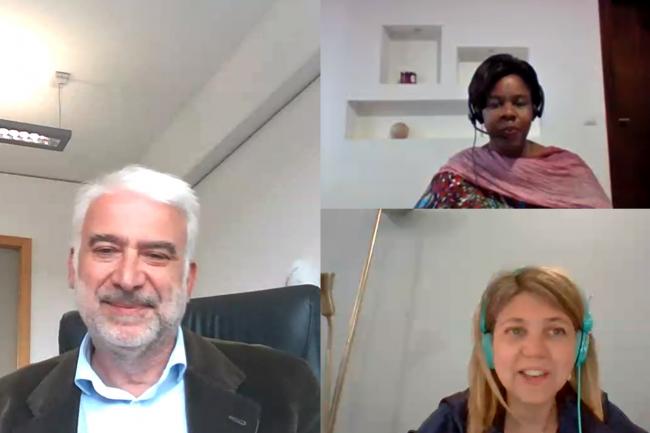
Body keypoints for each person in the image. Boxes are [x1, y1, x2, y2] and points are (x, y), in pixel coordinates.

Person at [0, 165, 319, 433]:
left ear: (188, 280)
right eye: (106, 250)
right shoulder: (7, 405)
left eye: (155, 255)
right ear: (73, 268)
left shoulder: (286, 390)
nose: (128, 278)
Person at [416, 267, 646, 433]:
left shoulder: (600, 417)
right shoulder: (452, 421)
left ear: (580, 348)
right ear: (489, 346)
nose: (535, 351)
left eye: (555, 331)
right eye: (516, 331)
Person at [415, 54, 611, 208]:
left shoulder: (569, 170)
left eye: (519, 103)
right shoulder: (459, 173)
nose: (508, 113)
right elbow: (422, 229)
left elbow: (603, 229)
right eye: (495, 104)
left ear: (535, 108)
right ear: (479, 113)